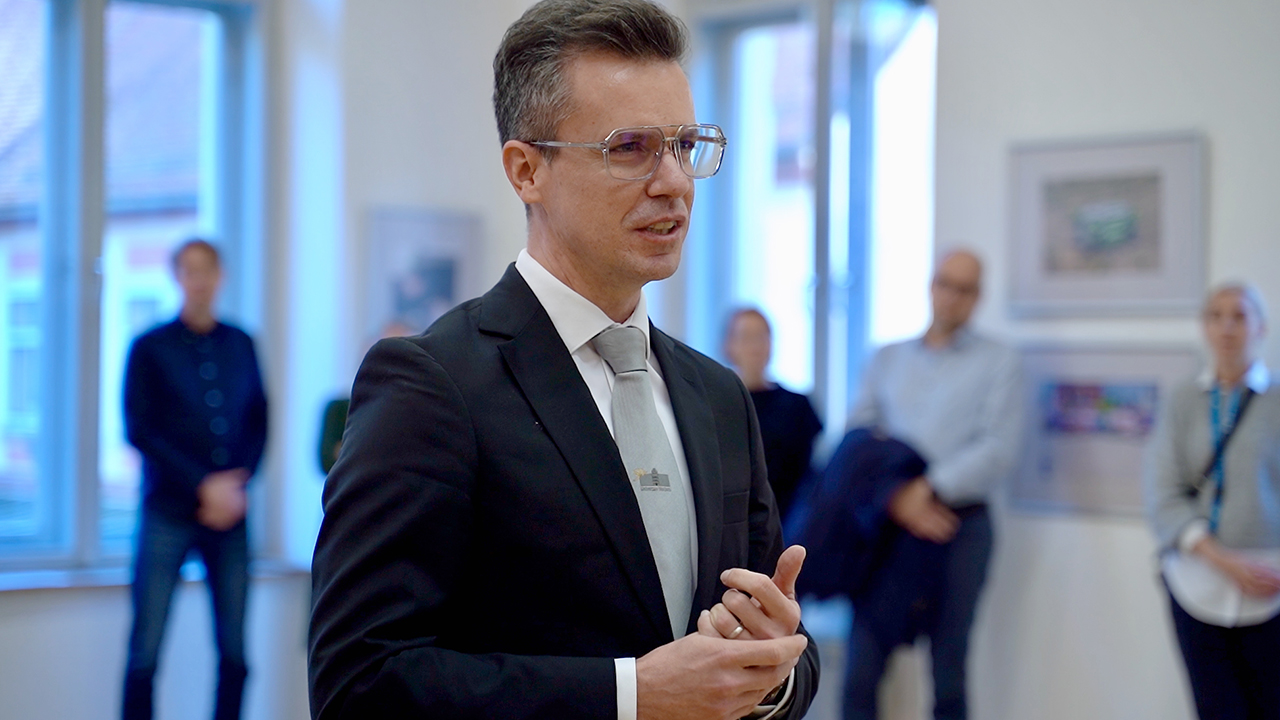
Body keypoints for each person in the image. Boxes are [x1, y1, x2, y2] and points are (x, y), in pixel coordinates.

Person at [307, 2, 820, 719]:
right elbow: (359, 683)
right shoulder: (433, 385)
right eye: (631, 147)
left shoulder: (718, 396)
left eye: (685, 145)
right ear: (527, 171)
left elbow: (781, 647)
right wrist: (633, 695)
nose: (674, 182)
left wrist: (771, 673)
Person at [843, 249, 1021, 720]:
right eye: (945, 283)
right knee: (861, 668)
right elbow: (859, 438)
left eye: (965, 289)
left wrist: (928, 488)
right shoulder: (887, 358)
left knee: (949, 671)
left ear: (977, 297)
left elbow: (997, 448)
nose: (952, 297)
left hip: (959, 527)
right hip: (887, 525)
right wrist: (897, 496)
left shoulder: (999, 362)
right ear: (930, 285)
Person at [121, 239, 268, 720]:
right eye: (189, 270)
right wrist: (203, 486)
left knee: (235, 653)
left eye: (207, 270)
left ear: (220, 276)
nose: (199, 280)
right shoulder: (149, 348)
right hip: (168, 511)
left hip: (231, 514)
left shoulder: (241, 343)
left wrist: (238, 484)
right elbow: (140, 429)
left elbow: (259, 419)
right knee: (145, 652)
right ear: (177, 277)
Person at [1146, 282, 1280, 720]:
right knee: (1215, 709)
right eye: (1215, 316)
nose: (1227, 328)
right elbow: (1162, 492)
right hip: (1196, 580)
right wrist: (1222, 560)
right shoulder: (1182, 400)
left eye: (1239, 316)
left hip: (1270, 584)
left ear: (1260, 327)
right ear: (1203, 327)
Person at [723, 308, 823, 525]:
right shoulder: (715, 403)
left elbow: (810, 475)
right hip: (733, 519)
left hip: (789, 518)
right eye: (746, 337)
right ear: (729, 345)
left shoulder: (798, 406)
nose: (755, 347)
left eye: (761, 337)